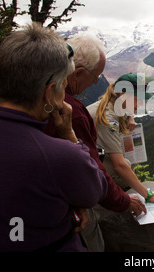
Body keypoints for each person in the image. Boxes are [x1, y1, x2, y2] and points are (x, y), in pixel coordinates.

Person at [0, 23, 108, 252]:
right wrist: (69, 135)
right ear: (49, 93)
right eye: (61, 87)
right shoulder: (59, 156)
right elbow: (95, 189)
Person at [44, 35, 146, 251]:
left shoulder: (106, 109)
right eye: (96, 76)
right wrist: (136, 198)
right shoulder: (77, 112)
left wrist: (128, 117)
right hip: (75, 202)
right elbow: (96, 165)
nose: (95, 82)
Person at [87, 73, 154, 203]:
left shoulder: (113, 103)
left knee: (130, 158)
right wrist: (148, 195)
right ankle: (115, 191)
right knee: (125, 163)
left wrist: (130, 116)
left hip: (88, 160)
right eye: (138, 98)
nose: (142, 103)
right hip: (86, 174)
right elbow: (119, 165)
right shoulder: (108, 119)